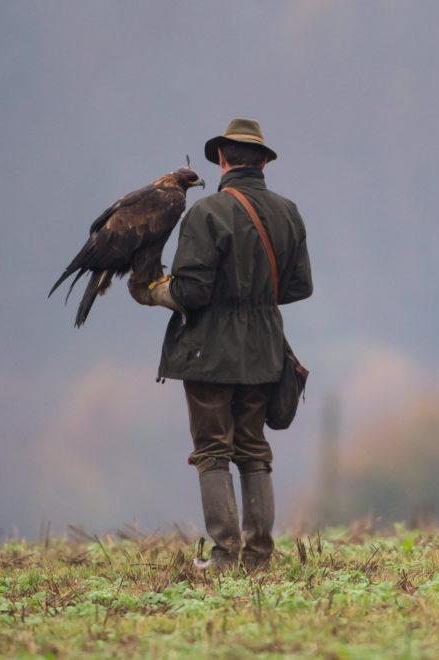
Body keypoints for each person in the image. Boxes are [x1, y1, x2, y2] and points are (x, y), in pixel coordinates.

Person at [144, 118, 312, 570]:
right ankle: (258, 557)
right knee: (253, 447)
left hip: (208, 353)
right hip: (264, 348)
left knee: (213, 449)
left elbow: (191, 292)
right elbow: (298, 287)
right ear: (262, 161)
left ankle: (224, 556)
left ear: (221, 158)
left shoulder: (206, 213)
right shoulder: (288, 211)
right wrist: (253, 295)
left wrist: (153, 292)